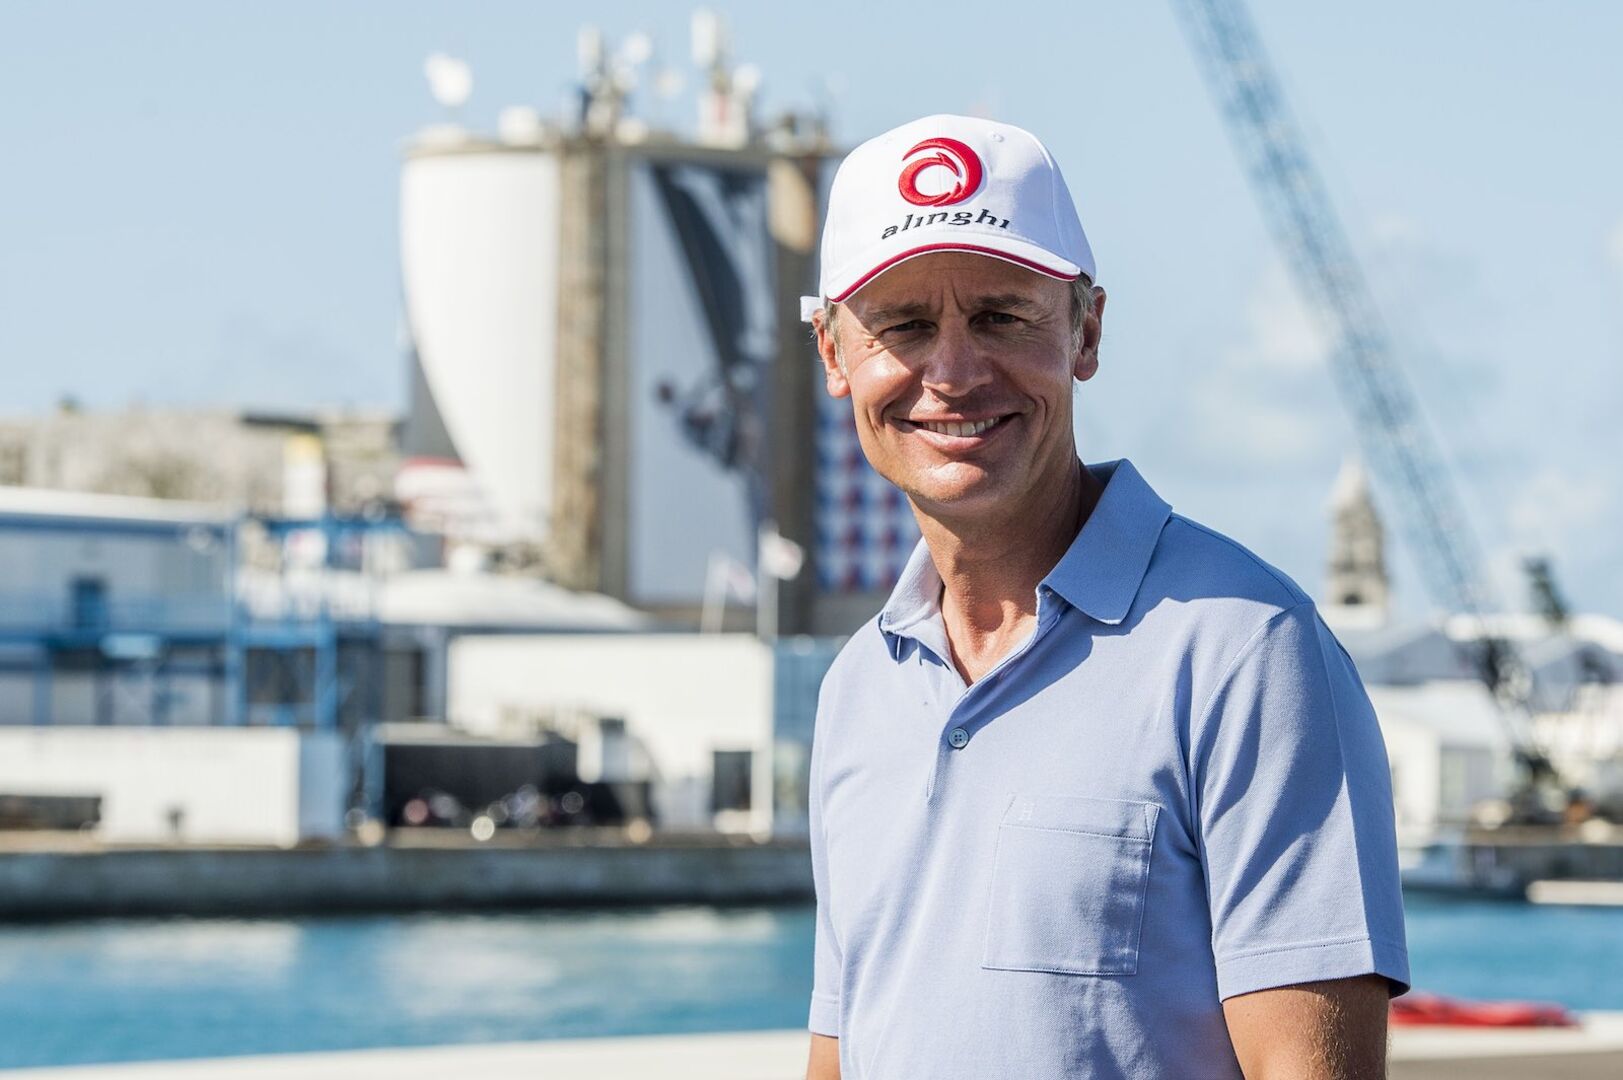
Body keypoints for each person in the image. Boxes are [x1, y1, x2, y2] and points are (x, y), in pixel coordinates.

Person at [802, 114, 1409, 1080]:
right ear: (835, 358)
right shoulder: (857, 688)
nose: (952, 372)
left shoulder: (1246, 649)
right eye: (904, 325)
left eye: (1002, 316)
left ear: (1085, 332)